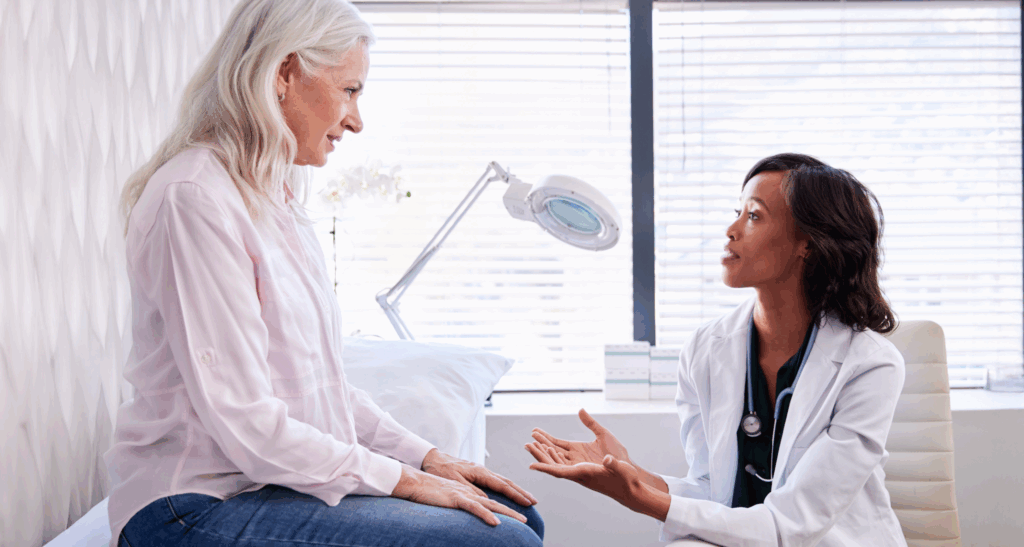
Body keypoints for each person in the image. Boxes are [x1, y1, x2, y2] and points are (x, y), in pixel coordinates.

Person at [105, 1, 543, 546]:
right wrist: (405, 481)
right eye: (349, 90)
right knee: (502, 540)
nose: (356, 120)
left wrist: (429, 458)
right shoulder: (195, 198)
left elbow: (323, 390)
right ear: (285, 73)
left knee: (514, 516)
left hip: (263, 487)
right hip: (191, 508)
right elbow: (247, 423)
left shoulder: (275, 201)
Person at [526, 153, 907, 547]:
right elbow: (711, 491)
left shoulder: (870, 366)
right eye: (736, 213)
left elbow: (790, 525)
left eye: (754, 216)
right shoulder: (704, 349)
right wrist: (630, 473)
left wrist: (641, 497)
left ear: (807, 244)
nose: (731, 230)